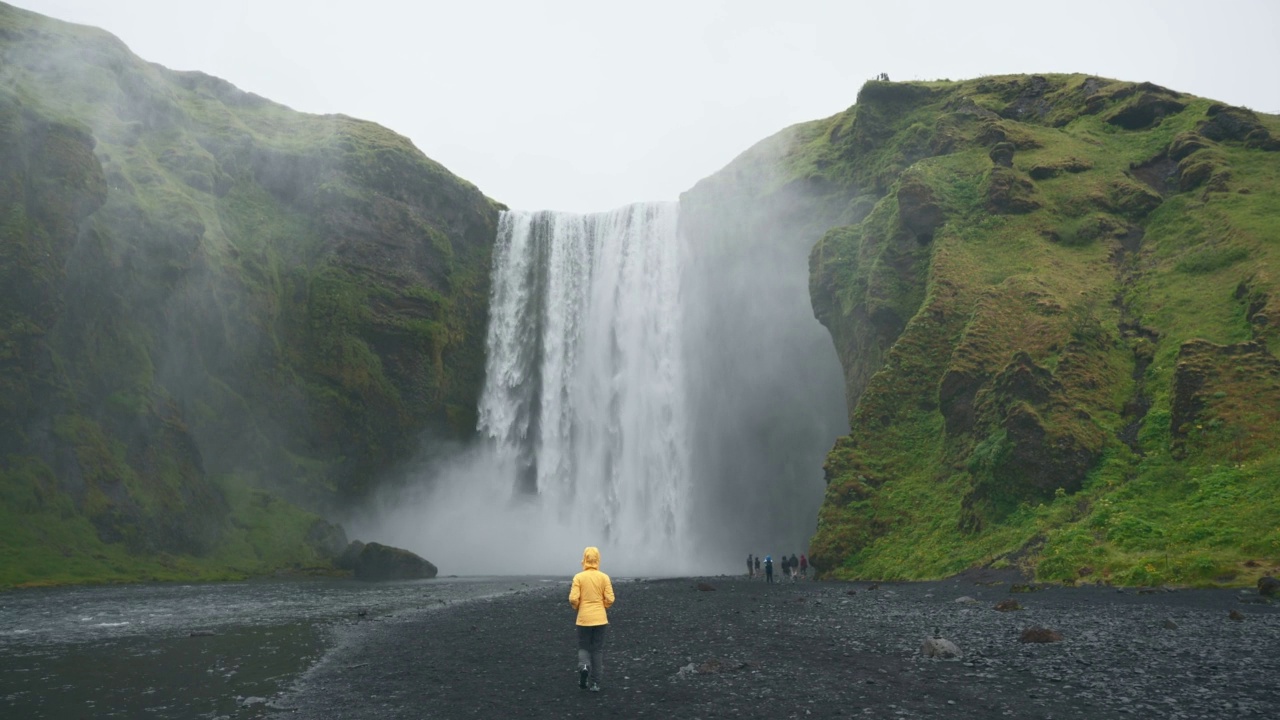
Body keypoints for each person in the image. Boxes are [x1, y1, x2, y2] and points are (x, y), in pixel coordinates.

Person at [570, 546, 614, 692]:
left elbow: (573, 598)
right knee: (597, 650)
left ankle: (583, 666)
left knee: (584, 647)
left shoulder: (579, 577)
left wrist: (578, 607)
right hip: (600, 619)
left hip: (583, 619)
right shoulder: (604, 577)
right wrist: (604, 606)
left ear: (584, 559)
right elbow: (610, 598)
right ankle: (595, 684)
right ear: (597, 559)